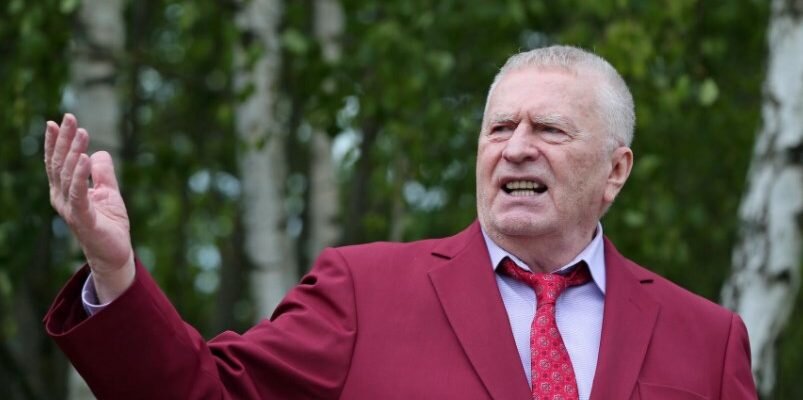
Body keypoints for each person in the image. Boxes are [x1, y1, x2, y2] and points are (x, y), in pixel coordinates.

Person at [43, 45, 757, 399]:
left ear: (615, 170)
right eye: (499, 127)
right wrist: (115, 270)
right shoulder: (364, 291)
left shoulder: (709, 339)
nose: (515, 147)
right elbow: (206, 394)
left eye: (549, 129)